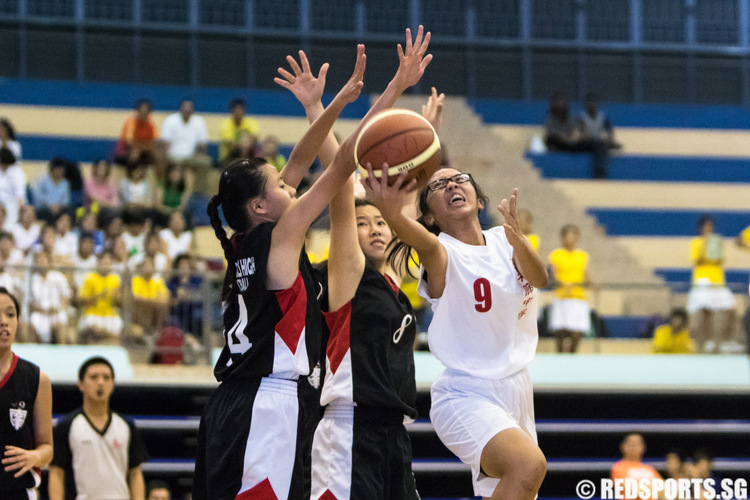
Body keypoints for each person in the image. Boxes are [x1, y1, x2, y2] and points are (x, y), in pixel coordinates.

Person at [193, 43, 367, 500]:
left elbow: (303, 159)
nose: (291, 185)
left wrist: (314, 106)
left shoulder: (242, 242)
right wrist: (365, 98)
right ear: (260, 206)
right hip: (269, 402)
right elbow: (341, 166)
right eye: (282, 186)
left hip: (230, 402)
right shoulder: (282, 234)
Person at [276, 30, 433, 498]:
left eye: (380, 224)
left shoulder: (392, 278)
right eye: (363, 225)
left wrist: (423, 138)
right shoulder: (348, 273)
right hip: (349, 429)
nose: (377, 229)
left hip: (393, 434)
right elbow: (343, 181)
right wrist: (316, 108)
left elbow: (399, 204)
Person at [363, 169, 548, 496]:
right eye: (437, 185)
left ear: (479, 201)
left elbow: (540, 278)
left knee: (518, 488)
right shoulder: (440, 251)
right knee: (528, 465)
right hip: (466, 392)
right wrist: (388, 208)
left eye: (460, 179)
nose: (451, 185)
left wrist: (518, 236)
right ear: (430, 216)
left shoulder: (504, 239)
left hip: (518, 384)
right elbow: (408, 231)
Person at [48, 357, 148, 500]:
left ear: (113, 384)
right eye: (94, 377)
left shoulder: (126, 425)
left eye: (106, 377)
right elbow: (56, 472)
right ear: (81, 384)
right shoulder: (67, 425)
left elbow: (135, 473)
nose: (100, 382)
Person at [0, 287, 53, 500]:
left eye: (10, 314)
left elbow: (47, 448)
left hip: (17, 492)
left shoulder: (37, 378)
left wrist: (34, 456)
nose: (3, 321)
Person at [687, 215, 739, 353]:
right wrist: (705, 244)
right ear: (701, 228)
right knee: (706, 312)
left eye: (711, 226)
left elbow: (720, 260)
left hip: (718, 281)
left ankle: (728, 341)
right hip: (703, 281)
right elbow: (697, 261)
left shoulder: (717, 241)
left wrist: (715, 246)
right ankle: (707, 342)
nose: (709, 229)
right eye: (706, 226)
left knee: (731, 309)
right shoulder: (696, 242)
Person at [548, 224, 592, 353]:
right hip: (562, 296)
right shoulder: (556, 254)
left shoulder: (582, 256)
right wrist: (562, 283)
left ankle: (573, 356)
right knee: (561, 331)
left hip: (578, 297)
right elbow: (554, 275)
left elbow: (587, 275)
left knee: (577, 332)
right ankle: (561, 357)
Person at [544, 92, 609, 179]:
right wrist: (564, 138)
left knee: (598, 144)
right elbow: (551, 134)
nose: (561, 105)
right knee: (549, 139)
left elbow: (578, 133)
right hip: (561, 145)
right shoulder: (550, 119)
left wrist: (575, 138)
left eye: (563, 102)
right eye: (558, 102)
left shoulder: (572, 118)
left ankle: (600, 175)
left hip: (573, 144)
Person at [160, 99, 212, 195]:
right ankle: (170, 191)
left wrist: (201, 155)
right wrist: (166, 159)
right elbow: (165, 144)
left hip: (191, 157)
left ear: (192, 111)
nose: (187, 112)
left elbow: (203, 145)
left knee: (206, 162)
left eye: (189, 110)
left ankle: (197, 192)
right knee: (168, 162)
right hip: (174, 157)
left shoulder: (199, 121)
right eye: (185, 109)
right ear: (181, 109)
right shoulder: (171, 120)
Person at [77, 250, 123, 345]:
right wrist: (98, 296)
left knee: (118, 325)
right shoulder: (89, 278)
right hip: (92, 314)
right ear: (98, 263)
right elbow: (81, 301)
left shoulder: (115, 279)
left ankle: (105, 336)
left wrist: (117, 296)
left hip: (109, 315)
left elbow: (119, 303)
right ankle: (108, 336)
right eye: (104, 263)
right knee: (91, 325)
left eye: (109, 263)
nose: (107, 265)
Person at [28, 251, 72, 344]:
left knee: (59, 325)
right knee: (32, 324)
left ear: (49, 262)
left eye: (43, 260)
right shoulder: (32, 279)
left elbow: (66, 296)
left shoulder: (58, 277)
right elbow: (30, 302)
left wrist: (59, 308)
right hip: (40, 313)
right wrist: (44, 310)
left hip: (57, 311)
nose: (41, 263)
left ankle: (61, 350)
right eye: (39, 261)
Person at [610, 433, 661, 500]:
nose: (634, 446)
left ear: (643, 447)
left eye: (637, 444)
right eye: (631, 443)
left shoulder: (650, 469)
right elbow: (632, 490)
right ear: (623, 446)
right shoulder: (619, 468)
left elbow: (662, 489)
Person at [114, 98, 159, 167]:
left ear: (149, 113)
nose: (144, 113)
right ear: (137, 111)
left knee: (159, 154)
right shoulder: (131, 122)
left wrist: (144, 147)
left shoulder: (150, 125)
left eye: (146, 111)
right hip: (125, 151)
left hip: (143, 151)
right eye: (142, 110)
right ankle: (131, 175)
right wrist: (143, 146)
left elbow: (154, 143)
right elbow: (129, 142)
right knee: (135, 152)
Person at [218, 98, 260, 163]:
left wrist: (246, 143)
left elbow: (255, 138)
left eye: (241, 109)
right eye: (236, 109)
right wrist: (244, 144)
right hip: (228, 157)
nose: (239, 112)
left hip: (249, 156)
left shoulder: (251, 123)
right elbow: (230, 144)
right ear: (232, 110)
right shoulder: (225, 124)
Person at [33, 158, 71, 225]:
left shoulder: (65, 183)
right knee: (43, 212)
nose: (60, 172)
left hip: (59, 209)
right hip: (45, 209)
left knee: (68, 211)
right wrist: (50, 206)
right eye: (58, 170)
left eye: (62, 170)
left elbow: (66, 200)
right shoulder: (42, 180)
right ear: (52, 170)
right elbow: (38, 197)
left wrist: (58, 207)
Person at [0, 147, 26, 232]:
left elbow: (20, 197)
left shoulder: (17, 173)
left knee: (9, 227)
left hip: (12, 205)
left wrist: (20, 218)